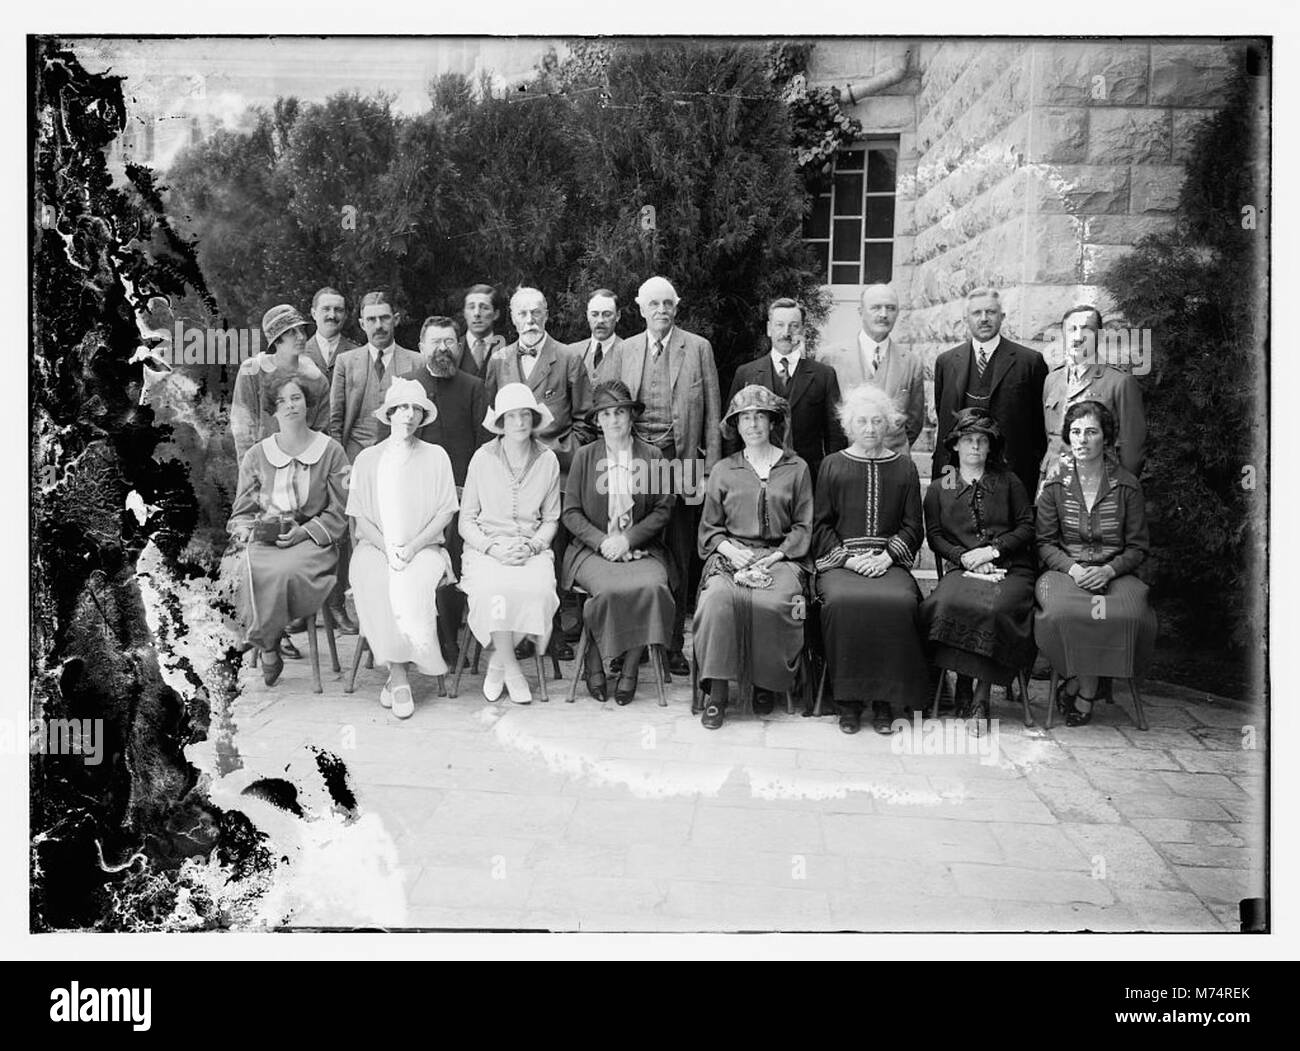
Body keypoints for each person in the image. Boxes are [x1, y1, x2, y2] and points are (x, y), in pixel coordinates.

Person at [601, 275, 723, 676]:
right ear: (640, 308)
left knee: (680, 550)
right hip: (635, 461)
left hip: (683, 460)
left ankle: (673, 644)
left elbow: (711, 416)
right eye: (653, 304)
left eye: (668, 303)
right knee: (634, 548)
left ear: (677, 305)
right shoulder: (626, 350)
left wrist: (710, 471)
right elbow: (613, 409)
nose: (661, 310)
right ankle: (626, 642)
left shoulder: (698, 348)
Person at [694, 385, 814, 730]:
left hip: (781, 557)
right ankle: (717, 693)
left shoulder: (797, 467)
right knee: (718, 600)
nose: (753, 424)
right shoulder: (723, 470)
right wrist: (731, 550)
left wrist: (776, 556)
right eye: (745, 418)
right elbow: (709, 528)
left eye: (760, 416)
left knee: (775, 602)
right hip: (733, 554)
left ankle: (765, 682)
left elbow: (804, 526)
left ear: (772, 422)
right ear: (736, 424)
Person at [223, 372, 349, 686]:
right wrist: (248, 532)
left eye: (296, 398)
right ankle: (269, 644)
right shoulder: (257, 455)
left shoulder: (331, 451)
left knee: (284, 571)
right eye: (281, 401)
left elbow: (342, 509)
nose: (290, 406)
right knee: (244, 568)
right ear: (273, 410)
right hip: (266, 540)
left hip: (313, 542)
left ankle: (267, 645)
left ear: (308, 403)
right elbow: (242, 511)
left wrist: (304, 532)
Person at [814, 383, 927, 735]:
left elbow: (913, 526)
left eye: (877, 421)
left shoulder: (905, 468)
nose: (870, 428)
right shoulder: (831, 465)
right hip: (843, 564)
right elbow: (820, 526)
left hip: (887, 562)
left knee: (901, 602)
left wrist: (888, 556)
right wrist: (847, 560)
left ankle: (884, 702)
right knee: (841, 602)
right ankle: (847, 702)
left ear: (889, 424)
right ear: (848, 425)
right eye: (861, 421)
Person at [1035, 401, 1156, 726]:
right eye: (1075, 432)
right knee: (1063, 613)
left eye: (1091, 432)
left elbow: (1137, 547)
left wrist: (1108, 569)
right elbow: (1045, 542)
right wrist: (1074, 569)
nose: (1082, 440)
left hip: (1115, 573)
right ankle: (1087, 685)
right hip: (1066, 572)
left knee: (1128, 614)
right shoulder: (1055, 483)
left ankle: (1082, 685)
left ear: (1107, 437)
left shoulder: (1127, 485)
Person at [346, 379, 459, 719]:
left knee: (411, 582)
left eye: (416, 409)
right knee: (381, 580)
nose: (409, 415)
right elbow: (360, 517)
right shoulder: (368, 459)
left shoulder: (436, 456)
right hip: (376, 548)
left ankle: (396, 679)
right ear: (390, 414)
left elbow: (445, 512)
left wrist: (412, 547)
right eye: (402, 408)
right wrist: (388, 547)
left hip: (424, 549)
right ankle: (399, 677)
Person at [919, 409, 1037, 723]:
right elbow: (935, 536)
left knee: (994, 608)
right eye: (968, 440)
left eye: (981, 441)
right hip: (964, 566)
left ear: (990, 447)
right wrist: (964, 557)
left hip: (1010, 567)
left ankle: (980, 697)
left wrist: (992, 552)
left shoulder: (1009, 481)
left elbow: (1027, 526)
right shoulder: (940, 486)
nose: (974, 447)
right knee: (947, 602)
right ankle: (962, 683)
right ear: (955, 445)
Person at [562, 381, 676, 705]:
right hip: (591, 550)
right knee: (610, 590)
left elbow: (663, 508)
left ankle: (629, 667)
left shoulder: (651, 456)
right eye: (606, 414)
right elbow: (570, 512)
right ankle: (594, 659)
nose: (613, 421)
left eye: (620, 412)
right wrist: (603, 542)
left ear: (631, 417)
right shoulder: (585, 457)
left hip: (642, 548)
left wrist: (628, 539)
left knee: (651, 587)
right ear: (597, 420)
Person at [459, 383, 563, 705]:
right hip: (487, 548)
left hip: (530, 548)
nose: (519, 422)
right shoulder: (482, 458)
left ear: (533, 419)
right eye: (512, 416)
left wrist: (532, 547)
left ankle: (497, 662)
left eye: (525, 415)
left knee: (539, 592)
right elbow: (466, 521)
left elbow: (551, 520)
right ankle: (512, 668)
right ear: (501, 423)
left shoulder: (548, 460)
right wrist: (493, 548)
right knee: (494, 592)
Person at [411, 315, 492, 661]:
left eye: (449, 342)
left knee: (459, 544)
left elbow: (485, 448)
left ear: (459, 347)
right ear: (421, 347)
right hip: (419, 498)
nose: (442, 348)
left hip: (464, 495)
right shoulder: (408, 386)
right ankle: (435, 634)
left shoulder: (474, 387)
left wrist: (466, 492)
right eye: (435, 342)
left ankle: (453, 634)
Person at [933, 287, 1049, 500]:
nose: (984, 319)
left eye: (991, 312)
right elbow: (943, 418)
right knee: (953, 526)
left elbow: (1038, 426)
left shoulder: (1029, 362)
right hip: (955, 471)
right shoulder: (946, 362)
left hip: (1011, 473)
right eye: (977, 313)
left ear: (1002, 316)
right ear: (966, 319)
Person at [724, 297, 846, 483]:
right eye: (779, 325)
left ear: (803, 330)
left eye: (794, 326)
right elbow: (732, 432)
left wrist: (830, 478)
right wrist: (733, 474)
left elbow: (835, 434)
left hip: (808, 478)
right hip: (755, 476)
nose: (786, 332)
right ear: (769, 329)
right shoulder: (746, 373)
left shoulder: (824, 375)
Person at [1041, 304, 1146, 487]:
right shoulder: (1052, 380)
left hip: (1099, 485)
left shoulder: (1119, 382)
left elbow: (1133, 450)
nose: (1078, 336)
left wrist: (1120, 490)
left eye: (1086, 329)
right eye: (1072, 329)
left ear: (1100, 335)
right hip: (1053, 483)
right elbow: (1050, 438)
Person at [818, 283, 925, 453]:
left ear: (897, 313)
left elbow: (914, 420)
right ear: (861, 312)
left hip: (894, 462)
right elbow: (824, 417)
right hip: (845, 461)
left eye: (890, 308)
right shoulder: (830, 358)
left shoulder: (911, 362)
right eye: (876, 307)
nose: (884, 314)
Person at [329, 290, 422, 463]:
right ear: (362, 324)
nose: (378, 326)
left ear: (396, 319)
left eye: (384, 318)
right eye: (371, 319)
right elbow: (335, 419)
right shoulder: (346, 362)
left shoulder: (417, 362)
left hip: (402, 456)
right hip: (355, 455)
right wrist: (339, 460)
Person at [231, 304, 331, 463]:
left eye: (301, 330)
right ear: (276, 340)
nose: (301, 337)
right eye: (291, 332)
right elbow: (242, 426)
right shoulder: (253, 371)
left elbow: (321, 430)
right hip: (263, 462)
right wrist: (248, 471)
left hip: (305, 465)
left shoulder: (317, 379)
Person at [303, 286, 358, 383]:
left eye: (338, 310)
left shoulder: (357, 354)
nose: (332, 315)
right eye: (326, 309)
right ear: (314, 313)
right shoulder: (300, 353)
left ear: (345, 315)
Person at [570, 288, 625, 385]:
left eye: (607, 314)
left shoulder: (628, 353)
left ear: (618, 316)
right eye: (594, 314)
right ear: (587, 315)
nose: (600, 320)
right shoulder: (571, 352)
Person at [457, 284, 507, 381]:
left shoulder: (507, 350)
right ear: (464, 313)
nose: (476, 314)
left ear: (496, 314)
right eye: (471, 307)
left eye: (484, 308)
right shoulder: (453, 348)